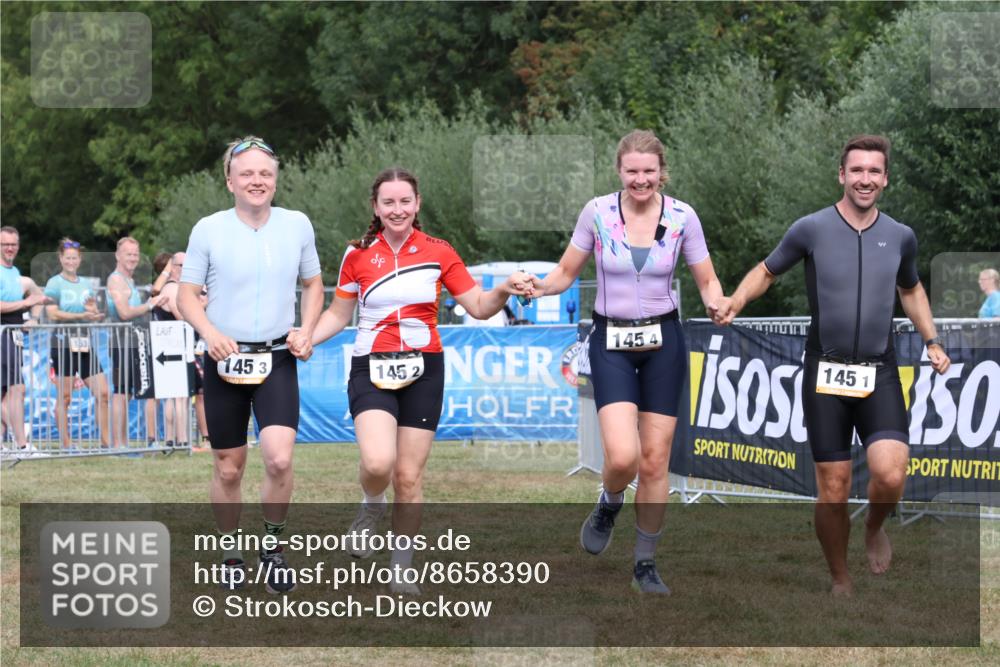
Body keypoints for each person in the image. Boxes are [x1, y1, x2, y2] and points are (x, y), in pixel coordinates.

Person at [711, 134, 951, 596]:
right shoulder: (811, 229)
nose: (865, 179)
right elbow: (766, 270)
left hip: (879, 370)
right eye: (856, 170)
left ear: (885, 179)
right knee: (834, 485)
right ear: (842, 175)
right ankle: (840, 576)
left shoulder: (901, 236)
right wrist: (736, 301)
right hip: (825, 370)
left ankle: (875, 525)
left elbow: (911, 289)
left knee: (890, 472)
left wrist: (931, 340)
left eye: (874, 171)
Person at [311, 167, 530, 595]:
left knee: (408, 477)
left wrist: (503, 287)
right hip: (370, 365)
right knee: (378, 465)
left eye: (405, 201)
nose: (397, 210)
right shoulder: (357, 253)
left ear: (418, 204)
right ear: (375, 207)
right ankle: (371, 505)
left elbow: (481, 306)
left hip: (424, 368)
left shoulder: (439, 251)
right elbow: (339, 314)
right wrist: (307, 337)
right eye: (388, 202)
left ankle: (401, 569)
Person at [524, 130, 724, 594]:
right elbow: (565, 272)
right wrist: (537, 286)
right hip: (611, 340)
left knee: (654, 463)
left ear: (661, 172)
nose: (640, 180)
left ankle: (645, 564)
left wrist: (717, 303)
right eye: (632, 171)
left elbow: (708, 279)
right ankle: (609, 501)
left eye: (649, 171)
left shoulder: (681, 217)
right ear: (619, 171)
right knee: (623, 457)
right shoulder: (596, 213)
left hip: (664, 343)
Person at [178, 136, 323, 594]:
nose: (256, 181)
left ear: (275, 180)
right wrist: (211, 333)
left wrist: (307, 329)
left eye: (265, 174)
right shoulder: (208, 229)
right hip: (225, 359)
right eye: (247, 174)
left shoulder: (297, 224)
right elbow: (186, 296)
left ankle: (274, 551)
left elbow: (315, 285)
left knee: (279, 459)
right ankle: (230, 552)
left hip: (278, 357)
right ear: (229, 181)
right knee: (228, 467)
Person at [44, 238, 111, 449]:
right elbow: (52, 313)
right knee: (65, 397)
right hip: (63, 341)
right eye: (67, 258)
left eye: (74, 258)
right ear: (61, 259)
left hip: (84, 341)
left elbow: (90, 308)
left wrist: (93, 314)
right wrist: (81, 314)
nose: (71, 261)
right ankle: (66, 443)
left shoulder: (85, 284)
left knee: (103, 392)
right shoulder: (54, 283)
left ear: (79, 260)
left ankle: (106, 442)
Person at [106, 237, 164, 448]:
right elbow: (124, 313)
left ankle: (123, 443)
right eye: (128, 254)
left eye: (135, 254)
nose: (133, 258)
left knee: (127, 392)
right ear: (118, 255)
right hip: (121, 341)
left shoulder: (128, 281)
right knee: (121, 392)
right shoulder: (116, 280)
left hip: (133, 341)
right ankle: (118, 444)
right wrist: (149, 305)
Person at [1, 226, 47, 452]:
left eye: (13, 244)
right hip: (2, 334)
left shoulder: (16, 273)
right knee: (16, 389)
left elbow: (38, 296)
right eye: (4, 244)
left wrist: (34, 319)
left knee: (9, 391)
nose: (9, 248)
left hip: (14, 335)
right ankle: (21, 444)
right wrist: (25, 304)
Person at [152, 252, 192, 449]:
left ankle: (171, 438)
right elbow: (181, 317)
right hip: (173, 344)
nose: (186, 269)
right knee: (179, 394)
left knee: (174, 394)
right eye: (183, 265)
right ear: (173, 267)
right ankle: (182, 439)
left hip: (168, 344)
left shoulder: (168, 288)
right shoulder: (173, 289)